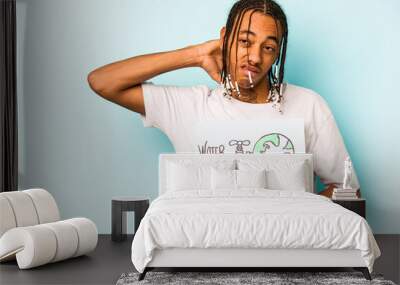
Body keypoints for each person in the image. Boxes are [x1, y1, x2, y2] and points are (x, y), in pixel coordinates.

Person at [87, 0, 360, 198]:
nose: (254, 56)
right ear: (224, 39)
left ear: (277, 54)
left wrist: (295, 216)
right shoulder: (191, 107)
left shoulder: (308, 105)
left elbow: (347, 189)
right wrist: (196, 54)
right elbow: (103, 82)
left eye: (268, 47)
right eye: (244, 41)